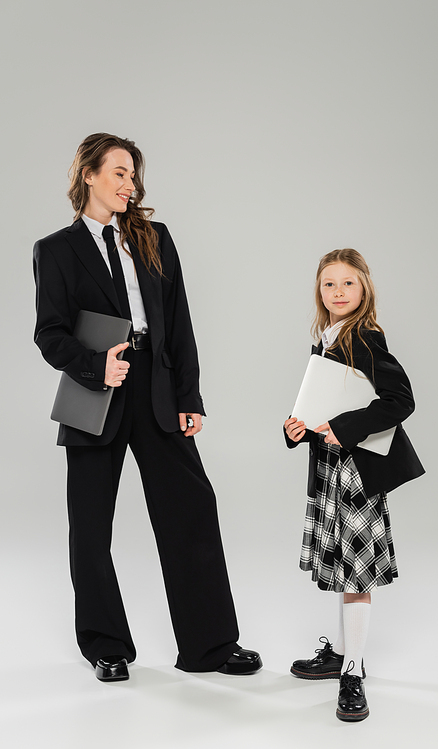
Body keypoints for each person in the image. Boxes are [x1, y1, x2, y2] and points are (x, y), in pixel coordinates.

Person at [33, 132, 261, 682]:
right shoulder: (56, 250)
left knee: (192, 511)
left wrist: (190, 396)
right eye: (118, 173)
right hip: (95, 390)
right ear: (88, 175)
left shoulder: (155, 238)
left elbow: (178, 323)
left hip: (157, 388)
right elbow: (50, 334)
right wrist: (94, 367)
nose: (129, 184)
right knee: (90, 526)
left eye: (133, 175)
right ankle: (105, 645)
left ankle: (209, 646)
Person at [284, 249, 424, 721]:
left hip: (356, 471)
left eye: (347, 284)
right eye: (329, 285)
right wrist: (294, 428)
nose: (338, 292)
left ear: (363, 288)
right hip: (329, 468)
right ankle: (341, 652)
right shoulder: (326, 338)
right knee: (344, 569)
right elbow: (319, 400)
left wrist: (345, 427)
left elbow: (400, 400)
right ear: (319, 292)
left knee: (356, 575)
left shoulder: (365, 337)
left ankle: (353, 672)